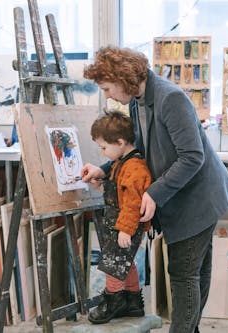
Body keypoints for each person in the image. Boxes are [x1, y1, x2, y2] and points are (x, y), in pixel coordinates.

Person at [81, 45, 228, 333]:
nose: (107, 95)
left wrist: (153, 193)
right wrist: (104, 170)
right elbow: (138, 148)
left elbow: (192, 157)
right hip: (182, 193)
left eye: (107, 88)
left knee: (183, 272)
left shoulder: (170, 99)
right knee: (193, 271)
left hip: (198, 197)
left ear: (123, 77)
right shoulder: (136, 102)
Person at [86, 111, 153, 324]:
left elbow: (133, 202)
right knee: (125, 262)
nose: (102, 152)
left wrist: (125, 229)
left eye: (104, 147)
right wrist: (102, 185)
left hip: (125, 227)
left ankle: (113, 301)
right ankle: (133, 302)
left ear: (121, 142)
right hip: (119, 224)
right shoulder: (121, 161)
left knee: (113, 264)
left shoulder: (134, 167)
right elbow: (118, 191)